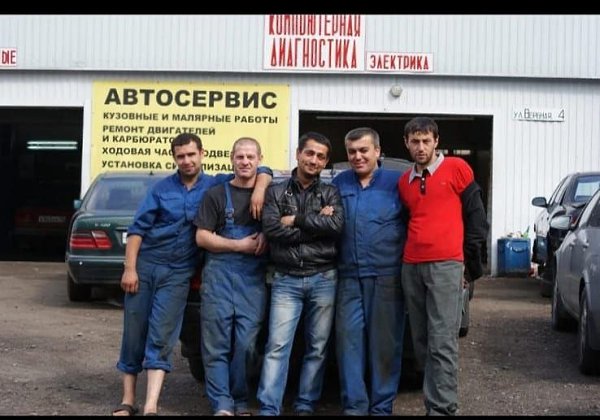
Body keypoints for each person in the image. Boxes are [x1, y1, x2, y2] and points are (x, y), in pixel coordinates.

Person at [112, 132, 271, 416]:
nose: (186, 160)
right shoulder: (161, 189)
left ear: (202, 154)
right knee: (134, 332)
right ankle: (127, 400)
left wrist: (261, 187)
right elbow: (137, 231)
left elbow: (258, 170)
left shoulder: (215, 184)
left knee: (162, 335)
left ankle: (150, 406)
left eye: (191, 155)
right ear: (175, 158)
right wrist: (130, 268)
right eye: (181, 156)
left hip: (179, 272)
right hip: (147, 265)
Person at [397, 117, 487, 416]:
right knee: (421, 341)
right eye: (415, 141)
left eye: (426, 141)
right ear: (407, 143)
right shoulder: (404, 182)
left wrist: (468, 265)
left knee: (443, 341)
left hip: (446, 265)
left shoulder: (457, 169)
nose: (420, 147)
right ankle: (433, 404)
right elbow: (407, 222)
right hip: (412, 266)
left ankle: (444, 409)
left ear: (436, 141)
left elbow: (477, 218)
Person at [256, 131, 344, 416]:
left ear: (326, 162)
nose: (314, 160)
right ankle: (269, 407)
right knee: (277, 345)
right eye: (310, 153)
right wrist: (317, 226)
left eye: (320, 156)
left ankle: (305, 404)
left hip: (324, 277)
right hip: (286, 279)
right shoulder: (275, 191)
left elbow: (336, 227)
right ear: (298, 154)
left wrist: (295, 220)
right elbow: (273, 230)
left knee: (317, 347)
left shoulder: (331, 192)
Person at [332, 127, 407, 416]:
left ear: (377, 151)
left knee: (385, 346)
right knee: (348, 345)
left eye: (363, 150)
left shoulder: (397, 182)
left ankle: (381, 408)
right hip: (349, 276)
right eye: (352, 151)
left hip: (386, 276)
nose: (357, 156)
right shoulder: (339, 183)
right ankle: (354, 407)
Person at [194, 137, 269, 416]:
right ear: (231, 159)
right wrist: (240, 245)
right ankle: (222, 404)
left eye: (250, 157)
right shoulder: (215, 194)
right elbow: (202, 237)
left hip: (252, 281)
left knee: (247, 344)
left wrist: (267, 235)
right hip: (219, 277)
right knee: (216, 345)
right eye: (240, 157)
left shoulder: (270, 193)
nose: (245, 162)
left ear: (260, 159)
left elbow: (278, 226)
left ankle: (239, 398)